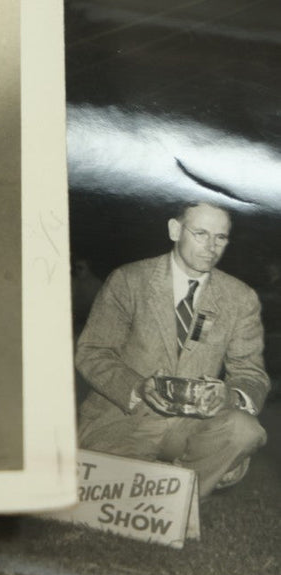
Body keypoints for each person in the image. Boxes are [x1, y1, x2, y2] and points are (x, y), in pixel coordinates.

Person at [76, 201, 268, 497]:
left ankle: (175, 499)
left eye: (221, 237)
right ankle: (170, 484)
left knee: (245, 431)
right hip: (125, 417)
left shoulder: (240, 298)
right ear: (175, 230)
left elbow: (251, 373)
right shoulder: (128, 280)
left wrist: (229, 395)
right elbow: (92, 352)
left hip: (190, 425)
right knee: (109, 491)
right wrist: (138, 388)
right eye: (201, 233)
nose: (211, 247)